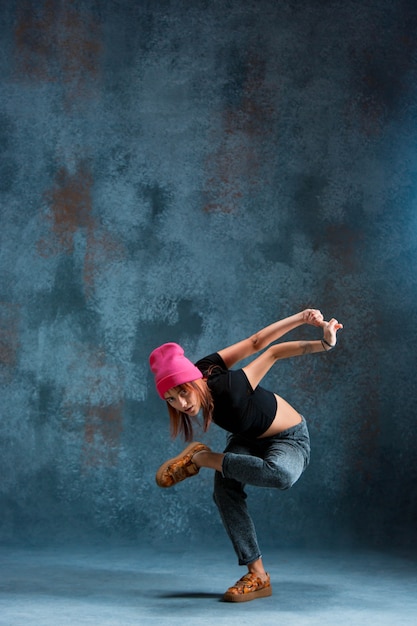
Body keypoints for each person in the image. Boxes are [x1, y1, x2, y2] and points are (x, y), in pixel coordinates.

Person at [149, 309, 343, 602]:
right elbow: (253, 342)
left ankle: (200, 459)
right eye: (171, 399)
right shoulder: (206, 368)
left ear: (194, 380)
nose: (182, 404)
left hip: (288, 439)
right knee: (224, 488)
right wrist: (302, 318)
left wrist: (321, 340)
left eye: (184, 392)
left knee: (281, 475)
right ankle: (258, 575)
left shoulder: (231, 387)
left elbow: (271, 351)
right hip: (246, 440)